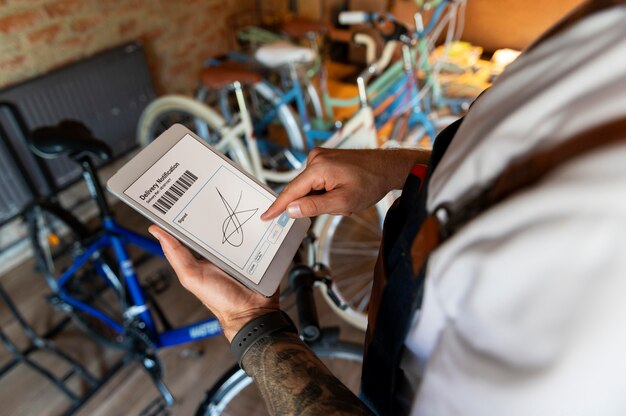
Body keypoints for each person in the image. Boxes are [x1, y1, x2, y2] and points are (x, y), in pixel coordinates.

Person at [148, 1, 626, 414]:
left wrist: (251, 325)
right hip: (389, 359)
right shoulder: (601, 29)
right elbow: (503, 166)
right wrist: (399, 167)